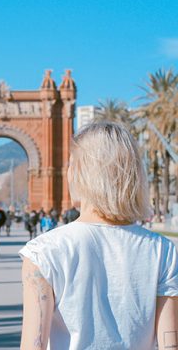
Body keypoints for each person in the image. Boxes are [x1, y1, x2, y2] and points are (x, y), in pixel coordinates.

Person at [19, 122, 178, 349]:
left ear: (83, 173)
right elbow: (170, 344)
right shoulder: (162, 250)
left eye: (71, 165)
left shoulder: (42, 252)